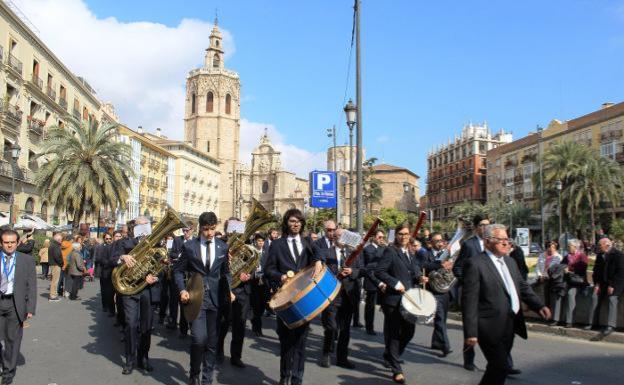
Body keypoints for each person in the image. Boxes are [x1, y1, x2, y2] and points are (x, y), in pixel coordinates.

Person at [462, 224, 551, 385]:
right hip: (488, 326)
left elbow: (522, 287)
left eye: (507, 239)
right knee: (501, 366)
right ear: (487, 241)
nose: (505, 243)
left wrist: (539, 305)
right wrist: (471, 332)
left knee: (496, 369)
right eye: (500, 240)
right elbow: (469, 300)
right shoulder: (475, 264)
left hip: (510, 324)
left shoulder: (510, 262)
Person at [265, 209, 323, 385]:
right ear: (286, 223)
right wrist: (281, 277)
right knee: (286, 341)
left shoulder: (308, 242)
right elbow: (269, 270)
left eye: (298, 221)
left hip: (304, 299)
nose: (295, 224)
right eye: (292, 221)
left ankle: (297, 378)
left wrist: (318, 260)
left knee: (301, 341)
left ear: (302, 224)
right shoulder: (277, 245)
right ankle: (285, 376)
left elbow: (320, 253)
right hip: (285, 299)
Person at [175, 212, 231, 385]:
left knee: (212, 343)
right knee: (198, 340)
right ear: (200, 228)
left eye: (213, 229)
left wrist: (230, 290)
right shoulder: (190, 246)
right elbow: (178, 270)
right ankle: (194, 373)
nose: (209, 233)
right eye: (206, 229)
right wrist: (182, 290)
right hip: (195, 299)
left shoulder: (223, 247)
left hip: (216, 301)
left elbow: (226, 272)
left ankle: (207, 380)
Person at [375, 223, 423, 384]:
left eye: (406, 234)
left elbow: (413, 271)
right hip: (393, 300)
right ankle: (396, 370)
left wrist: (420, 277)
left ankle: (391, 355)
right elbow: (379, 271)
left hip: (409, 300)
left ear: (410, 235)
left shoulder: (410, 252)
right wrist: (394, 283)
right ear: (396, 235)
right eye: (401, 234)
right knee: (394, 334)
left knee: (409, 332)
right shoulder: (391, 251)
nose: (404, 236)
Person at [115, 216, 161, 375]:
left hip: (148, 289)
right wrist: (123, 257)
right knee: (131, 324)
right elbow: (113, 258)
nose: (143, 227)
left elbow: (161, 265)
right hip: (130, 291)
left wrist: (153, 276)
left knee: (146, 327)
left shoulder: (156, 243)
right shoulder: (124, 242)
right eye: (140, 225)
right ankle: (129, 359)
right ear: (134, 227)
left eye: (146, 225)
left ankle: (144, 358)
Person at [316, 224, 360, 369]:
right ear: (334, 238)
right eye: (338, 236)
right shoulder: (325, 253)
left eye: (343, 236)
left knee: (345, 330)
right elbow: (319, 267)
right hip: (332, 296)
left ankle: (342, 358)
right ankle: (326, 353)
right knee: (331, 327)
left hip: (348, 296)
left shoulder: (353, 253)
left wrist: (352, 271)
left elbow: (362, 270)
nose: (341, 238)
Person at [0, 229, 37, 385]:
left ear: (17, 242)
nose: (9, 245)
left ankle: (8, 372)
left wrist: (30, 308)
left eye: (12, 242)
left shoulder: (26, 260)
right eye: (6, 242)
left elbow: (32, 286)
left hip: (15, 304)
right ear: (1, 243)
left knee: (12, 340)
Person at [453, 215, 489, 371]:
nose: (485, 228)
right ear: (476, 228)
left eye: (488, 224)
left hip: (489, 294)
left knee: (495, 329)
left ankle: (504, 362)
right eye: (482, 225)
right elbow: (457, 268)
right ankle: (469, 360)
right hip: (473, 294)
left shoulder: (493, 244)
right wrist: (468, 282)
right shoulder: (469, 245)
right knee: (471, 328)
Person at [422, 232, 453, 358]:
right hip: (432, 290)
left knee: (443, 318)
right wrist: (440, 264)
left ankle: (436, 342)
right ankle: (446, 346)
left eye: (441, 240)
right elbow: (424, 265)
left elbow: (449, 268)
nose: (440, 243)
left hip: (444, 290)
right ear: (430, 243)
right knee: (440, 318)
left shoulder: (446, 254)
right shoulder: (426, 253)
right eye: (437, 241)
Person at [584, 238, 624, 336]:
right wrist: (597, 284)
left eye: (599, 245)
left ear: (607, 245)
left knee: (612, 299)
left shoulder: (619, 255)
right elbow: (596, 271)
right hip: (602, 284)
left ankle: (610, 326)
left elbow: (621, 272)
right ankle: (592, 323)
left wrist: (612, 285)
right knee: (594, 297)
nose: (598, 247)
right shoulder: (599, 256)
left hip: (616, 283)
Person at [552, 239, 588, 327]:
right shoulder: (566, 256)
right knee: (559, 294)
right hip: (566, 281)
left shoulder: (582, 256)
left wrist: (570, 269)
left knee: (571, 294)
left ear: (575, 247)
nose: (568, 248)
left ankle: (570, 321)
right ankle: (556, 319)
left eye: (569, 246)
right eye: (568, 246)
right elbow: (561, 266)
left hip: (577, 282)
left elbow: (583, 267)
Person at [170, 223, 195, 337]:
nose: (185, 233)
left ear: (192, 230)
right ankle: (183, 329)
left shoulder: (196, 241)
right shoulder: (177, 240)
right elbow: (172, 253)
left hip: (192, 276)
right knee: (182, 301)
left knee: (193, 302)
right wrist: (180, 256)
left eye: (187, 230)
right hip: (180, 273)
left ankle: (193, 327)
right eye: (183, 230)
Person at [362, 229, 386, 335]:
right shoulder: (368, 249)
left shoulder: (383, 248)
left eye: (383, 237)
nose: (381, 239)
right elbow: (370, 266)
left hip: (382, 280)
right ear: (374, 237)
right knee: (370, 306)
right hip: (371, 281)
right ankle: (369, 327)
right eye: (379, 237)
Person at [250, 232, 268, 336]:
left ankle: (254, 319)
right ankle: (258, 328)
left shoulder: (266, 253)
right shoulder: (252, 252)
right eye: (259, 241)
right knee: (256, 305)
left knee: (262, 305)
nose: (260, 243)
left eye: (262, 241)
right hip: (254, 281)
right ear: (255, 242)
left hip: (264, 281)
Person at [48, 232, 64, 302]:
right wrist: (61, 263)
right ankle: (53, 296)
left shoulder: (52, 245)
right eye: (61, 240)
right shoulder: (56, 246)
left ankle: (53, 294)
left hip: (53, 264)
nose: (61, 241)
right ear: (58, 239)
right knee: (55, 281)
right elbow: (57, 256)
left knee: (54, 280)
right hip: (56, 265)